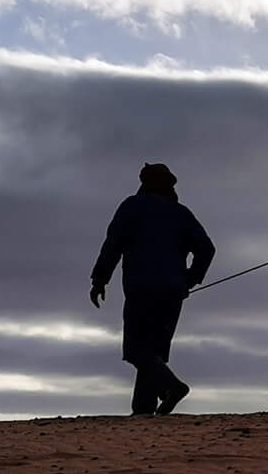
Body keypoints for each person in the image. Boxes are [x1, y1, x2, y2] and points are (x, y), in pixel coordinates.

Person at [90, 162, 215, 416]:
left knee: (136, 349)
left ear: (145, 183)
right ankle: (143, 411)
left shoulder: (132, 206)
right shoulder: (181, 213)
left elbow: (112, 245)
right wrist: (188, 280)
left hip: (141, 289)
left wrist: (100, 280)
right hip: (172, 292)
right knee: (154, 352)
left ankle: (172, 387)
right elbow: (206, 249)